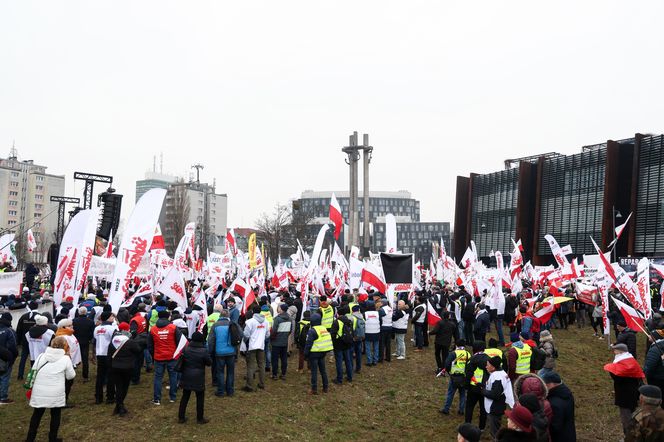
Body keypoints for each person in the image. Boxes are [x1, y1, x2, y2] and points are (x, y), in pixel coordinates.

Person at [25, 336, 76, 442]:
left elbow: (33, 370)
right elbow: (71, 376)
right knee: (55, 415)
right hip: (56, 391)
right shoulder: (65, 359)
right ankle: (52, 438)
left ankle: (30, 438)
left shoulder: (41, 356)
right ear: (65, 346)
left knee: (37, 414)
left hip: (40, 390)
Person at [604, 343, 645, 436]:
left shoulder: (621, 363)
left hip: (624, 395)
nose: (614, 351)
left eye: (615, 350)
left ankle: (629, 435)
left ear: (620, 351)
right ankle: (635, 431)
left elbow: (618, 378)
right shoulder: (631, 361)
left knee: (626, 418)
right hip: (634, 393)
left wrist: (612, 370)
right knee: (633, 413)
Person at [148, 310, 182, 405]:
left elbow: (150, 345)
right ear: (168, 317)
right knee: (173, 376)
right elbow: (180, 341)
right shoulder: (173, 328)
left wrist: (153, 354)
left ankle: (157, 399)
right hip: (171, 356)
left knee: (158, 378)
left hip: (158, 357)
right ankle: (173, 397)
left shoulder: (153, 329)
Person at [108, 322, 141, 416]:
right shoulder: (129, 341)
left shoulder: (113, 340)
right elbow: (138, 350)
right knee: (124, 387)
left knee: (118, 387)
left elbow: (109, 354)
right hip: (127, 367)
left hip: (115, 366)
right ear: (127, 330)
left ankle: (118, 406)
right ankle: (120, 406)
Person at [178, 331, 212, 424]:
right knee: (200, 398)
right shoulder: (203, 351)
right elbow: (209, 363)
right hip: (198, 377)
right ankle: (200, 418)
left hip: (186, 375)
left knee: (185, 396)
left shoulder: (186, 349)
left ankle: (181, 417)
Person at [483, 355, 515, 438]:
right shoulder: (500, 373)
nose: (486, 366)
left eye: (488, 365)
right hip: (499, 405)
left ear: (493, 367)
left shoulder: (497, 377)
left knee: (495, 431)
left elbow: (495, 394)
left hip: (495, 407)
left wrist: (482, 391)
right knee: (495, 426)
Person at [208, 309, 238, 397]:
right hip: (231, 351)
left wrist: (210, 351)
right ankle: (230, 391)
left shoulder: (215, 325)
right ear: (228, 315)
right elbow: (240, 335)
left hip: (219, 352)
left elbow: (211, 340)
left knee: (220, 372)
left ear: (220, 315)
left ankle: (220, 391)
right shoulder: (233, 324)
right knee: (230, 372)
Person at [542, 371, 576, 442]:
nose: (543, 387)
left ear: (551, 384)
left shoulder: (554, 404)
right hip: (569, 434)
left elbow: (554, 427)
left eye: (545, 384)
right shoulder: (566, 393)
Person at [304, 313, 332, 395]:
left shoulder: (312, 331)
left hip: (314, 354)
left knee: (314, 371)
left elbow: (308, 344)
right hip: (322, 353)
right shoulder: (324, 328)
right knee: (323, 370)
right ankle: (325, 387)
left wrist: (306, 354)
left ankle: (314, 389)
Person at [242, 305, 268, 392]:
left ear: (252, 311)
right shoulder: (266, 321)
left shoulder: (250, 322)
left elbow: (246, 334)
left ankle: (249, 385)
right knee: (261, 365)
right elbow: (268, 334)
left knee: (250, 366)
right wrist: (261, 338)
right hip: (261, 346)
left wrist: (246, 341)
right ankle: (262, 383)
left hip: (252, 346)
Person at [93, 311, 117, 404]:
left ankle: (98, 397)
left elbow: (95, 340)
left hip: (100, 354)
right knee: (111, 375)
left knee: (100, 376)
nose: (113, 318)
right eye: (111, 317)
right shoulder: (112, 328)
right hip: (109, 354)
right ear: (107, 317)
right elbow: (115, 341)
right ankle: (110, 397)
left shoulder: (97, 329)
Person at [55, 318, 81, 404]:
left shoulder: (70, 334)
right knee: (66, 383)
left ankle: (64, 399)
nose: (72, 326)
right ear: (63, 327)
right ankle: (62, 401)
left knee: (69, 382)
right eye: (69, 326)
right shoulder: (62, 337)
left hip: (72, 362)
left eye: (72, 325)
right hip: (66, 364)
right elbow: (62, 352)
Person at [442, 339, 470, 415]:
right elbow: (470, 366)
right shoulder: (468, 354)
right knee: (463, 394)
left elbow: (447, 364)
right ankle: (461, 410)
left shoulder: (453, 353)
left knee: (450, 393)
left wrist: (449, 372)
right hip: (464, 377)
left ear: (456, 345)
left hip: (454, 377)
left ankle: (446, 409)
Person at [465, 340, 488, 431]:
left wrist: (466, 386)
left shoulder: (472, 360)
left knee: (469, 407)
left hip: (473, 387)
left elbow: (468, 374)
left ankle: (467, 424)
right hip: (484, 388)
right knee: (483, 409)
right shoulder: (489, 359)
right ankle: (481, 427)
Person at [15, 300, 39, 380]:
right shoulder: (39, 316)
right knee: (35, 358)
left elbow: (19, 329)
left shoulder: (24, 316)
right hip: (36, 341)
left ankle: (20, 375)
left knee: (23, 358)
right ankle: (34, 375)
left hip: (25, 341)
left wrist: (18, 341)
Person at [331, 305, 353, 385]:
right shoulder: (349, 320)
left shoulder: (336, 322)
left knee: (339, 362)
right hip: (347, 343)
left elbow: (332, 334)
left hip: (338, 344)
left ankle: (339, 379)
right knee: (348, 360)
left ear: (338, 314)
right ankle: (350, 377)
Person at [73, 306, 95, 382]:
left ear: (79, 312)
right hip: (85, 342)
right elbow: (92, 333)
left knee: (73, 357)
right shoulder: (90, 321)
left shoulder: (74, 321)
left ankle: (71, 373)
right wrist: (88, 339)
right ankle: (85, 375)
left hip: (76, 342)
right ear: (86, 312)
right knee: (85, 359)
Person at [270, 303, 292, 380]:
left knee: (275, 359)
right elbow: (290, 330)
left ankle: (274, 374)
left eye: (279, 307)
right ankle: (283, 374)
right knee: (284, 359)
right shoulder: (290, 318)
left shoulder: (277, 319)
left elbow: (274, 331)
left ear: (282, 309)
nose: (278, 309)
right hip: (284, 341)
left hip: (276, 342)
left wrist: (271, 338)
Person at [0, 312, 18, 404]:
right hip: (5, 358)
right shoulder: (10, 331)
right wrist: (13, 357)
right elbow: (13, 346)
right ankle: (3, 397)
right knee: (4, 377)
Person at [644, 331, 664, 403]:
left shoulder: (654, 349)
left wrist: (646, 374)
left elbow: (650, 366)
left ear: (654, 338)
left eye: (651, 335)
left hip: (656, 378)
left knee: (657, 396)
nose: (648, 336)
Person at [350, 305, 365, 372]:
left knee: (350, 354)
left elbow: (351, 329)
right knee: (358, 353)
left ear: (352, 310)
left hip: (354, 338)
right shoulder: (362, 317)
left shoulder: (352, 318)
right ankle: (358, 368)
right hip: (360, 337)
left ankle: (351, 367)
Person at [378, 298, 393, 363]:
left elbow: (379, 318)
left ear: (383, 303)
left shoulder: (382, 309)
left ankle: (381, 358)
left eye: (381, 302)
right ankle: (388, 357)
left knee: (382, 343)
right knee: (388, 343)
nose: (380, 303)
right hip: (389, 326)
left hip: (383, 327)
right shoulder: (390, 308)